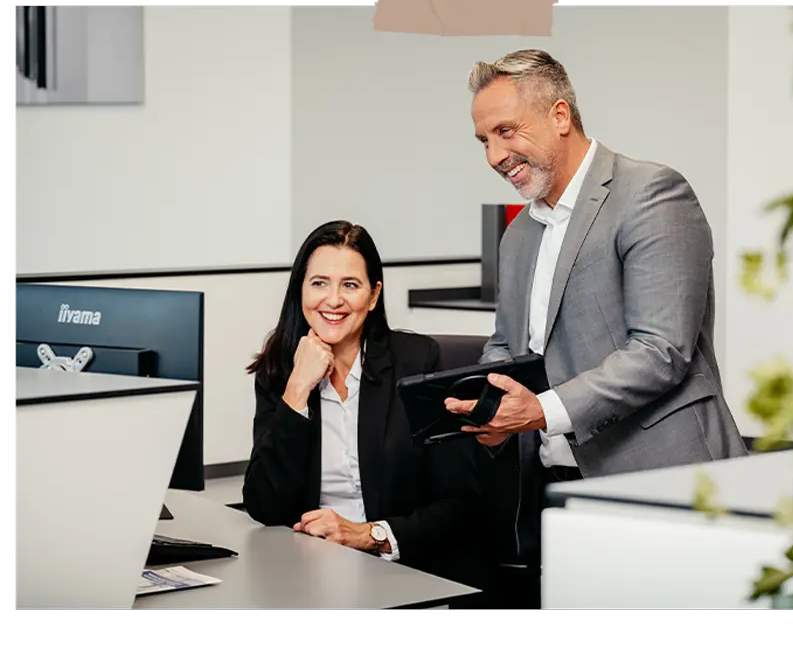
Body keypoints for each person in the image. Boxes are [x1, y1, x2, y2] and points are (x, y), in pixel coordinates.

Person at [445, 49, 749, 608]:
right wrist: (486, 412)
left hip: (669, 486)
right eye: (483, 140)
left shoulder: (652, 193)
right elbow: (508, 347)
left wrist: (539, 410)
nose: (494, 155)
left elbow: (661, 351)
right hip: (563, 494)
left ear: (560, 116)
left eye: (505, 131)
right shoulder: (519, 236)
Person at [242, 220, 488, 609]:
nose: (333, 300)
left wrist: (368, 535)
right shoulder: (280, 372)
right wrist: (297, 390)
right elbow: (264, 505)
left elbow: (462, 503)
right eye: (319, 283)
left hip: (404, 573)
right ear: (300, 291)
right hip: (308, 574)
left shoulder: (418, 361)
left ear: (373, 296)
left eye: (350, 285)